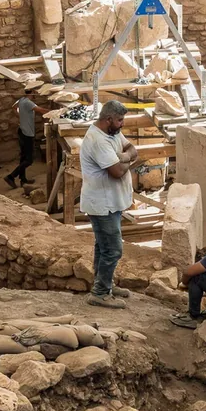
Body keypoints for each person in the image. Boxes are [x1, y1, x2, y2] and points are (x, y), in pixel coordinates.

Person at [81, 100, 137, 309]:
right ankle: (100, 292)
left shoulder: (112, 133)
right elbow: (117, 172)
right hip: (101, 204)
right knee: (113, 249)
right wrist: (126, 161)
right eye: (120, 120)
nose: (122, 124)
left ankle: (105, 284)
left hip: (111, 203)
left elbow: (132, 149)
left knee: (103, 245)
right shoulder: (98, 140)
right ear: (108, 119)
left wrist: (123, 157)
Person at [5, 93, 37, 188]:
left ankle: (23, 180)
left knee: (23, 157)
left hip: (22, 131)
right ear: (31, 93)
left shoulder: (21, 99)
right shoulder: (28, 102)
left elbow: (14, 107)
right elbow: (41, 110)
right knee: (29, 160)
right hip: (28, 133)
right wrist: (55, 112)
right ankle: (11, 176)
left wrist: (21, 116)